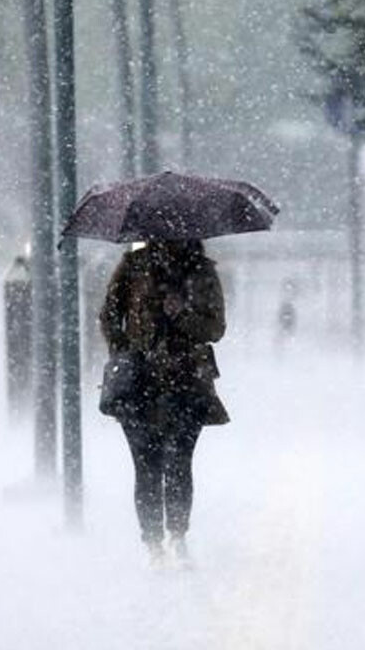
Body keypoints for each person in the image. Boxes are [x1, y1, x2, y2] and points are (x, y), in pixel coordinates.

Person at [99, 239, 228, 567]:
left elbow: (215, 328)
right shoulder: (133, 266)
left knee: (179, 462)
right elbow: (109, 315)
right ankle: (153, 543)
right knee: (146, 465)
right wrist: (125, 351)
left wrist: (182, 314)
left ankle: (178, 536)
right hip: (139, 384)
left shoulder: (202, 271)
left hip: (186, 380)